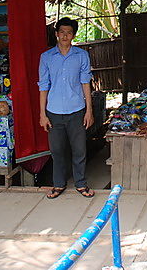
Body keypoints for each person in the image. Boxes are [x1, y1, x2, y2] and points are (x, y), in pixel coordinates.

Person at [39, 17, 95, 199]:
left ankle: (81, 183)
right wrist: (42, 114)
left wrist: (89, 110)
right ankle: (58, 184)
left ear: (73, 35)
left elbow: (86, 83)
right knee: (57, 151)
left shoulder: (81, 56)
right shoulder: (46, 57)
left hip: (77, 110)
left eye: (69, 32)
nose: (65, 35)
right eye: (62, 32)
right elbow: (43, 86)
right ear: (56, 34)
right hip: (54, 112)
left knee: (79, 149)